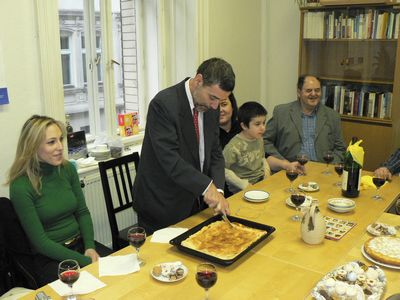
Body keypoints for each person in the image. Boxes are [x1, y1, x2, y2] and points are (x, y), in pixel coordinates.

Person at [132, 57, 234, 234]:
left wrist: (217, 189)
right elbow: (170, 160)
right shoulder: (164, 104)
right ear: (199, 80)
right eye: (213, 98)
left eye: (222, 101)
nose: (215, 106)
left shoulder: (211, 106)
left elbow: (215, 152)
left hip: (193, 203)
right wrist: (206, 186)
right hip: (161, 204)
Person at [7, 115, 112, 285]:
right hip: (51, 258)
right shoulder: (20, 186)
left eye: (60, 139)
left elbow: (82, 212)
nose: (59, 147)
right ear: (32, 146)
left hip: (81, 246)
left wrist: (90, 247)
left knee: (120, 277)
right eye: (51, 142)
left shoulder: (68, 169)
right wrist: (84, 262)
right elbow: (40, 243)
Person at [263, 74, 346, 166]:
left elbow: (340, 148)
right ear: (299, 92)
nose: (314, 94)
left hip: (321, 170)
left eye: (317, 90)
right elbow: (265, 141)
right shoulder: (281, 112)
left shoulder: (332, 115)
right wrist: (283, 163)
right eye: (309, 90)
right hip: (291, 169)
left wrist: (328, 166)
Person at [223, 102, 303, 193]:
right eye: (257, 124)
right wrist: (244, 185)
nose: (263, 128)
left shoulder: (259, 139)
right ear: (244, 126)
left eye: (263, 123)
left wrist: (267, 175)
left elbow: (262, 158)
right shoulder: (233, 146)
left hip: (260, 183)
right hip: (242, 189)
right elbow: (223, 169)